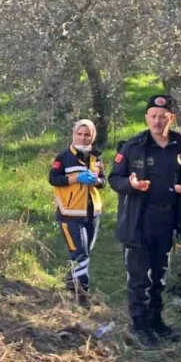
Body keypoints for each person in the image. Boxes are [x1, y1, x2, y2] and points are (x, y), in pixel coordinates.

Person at [109, 95, 181, 347]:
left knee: (159, 275)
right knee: (140, 277)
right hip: (139, 219)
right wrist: (131, 184)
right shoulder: (132, 146)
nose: (158, 121)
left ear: (171, 118)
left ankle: (156, 322)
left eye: (163, 117)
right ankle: (139, 326)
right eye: (153, 116)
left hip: (167, 218)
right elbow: (114, 179)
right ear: (147, 117)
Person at [48, 119, 106, 304]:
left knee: (85, 253)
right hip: (69, 213)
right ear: (73, 134)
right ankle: (82, 295)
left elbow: (103, 181)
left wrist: (96, 181)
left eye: (86, 134)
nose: (82, 137)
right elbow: (54, 179)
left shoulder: (96, 158)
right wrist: (76, 178)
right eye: (79, 134)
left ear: (92, 136)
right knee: (80, 254)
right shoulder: (63, 157)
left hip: (92, 213)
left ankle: (71, 285)